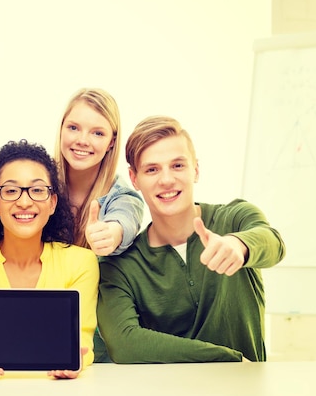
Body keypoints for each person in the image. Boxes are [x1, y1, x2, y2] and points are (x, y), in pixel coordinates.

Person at [97, 115, 286, 363]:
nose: (166, 180)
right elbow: (124, 344)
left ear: (195, 170)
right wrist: (229, 359)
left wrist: (238, 245)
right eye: (152, 169)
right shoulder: (120, 266)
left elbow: (273, 243)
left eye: (177, 166)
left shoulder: (235, 218)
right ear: (134, 180)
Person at [0, 140, 99, 380]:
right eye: (10, 190)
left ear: (52, 202)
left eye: (37, 190)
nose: (24, 201)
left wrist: (79, 357)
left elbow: (82, 337)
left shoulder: (82, 262)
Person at [54, 88, 144, 362]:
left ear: (111, 142)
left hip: (93, 343)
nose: (83, 140)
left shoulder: (122, 197)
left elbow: (125, 219)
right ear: (61, 130)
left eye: (97, 133)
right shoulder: (38, 185)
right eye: (74, 127)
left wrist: (111, 233)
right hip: (36, 322)